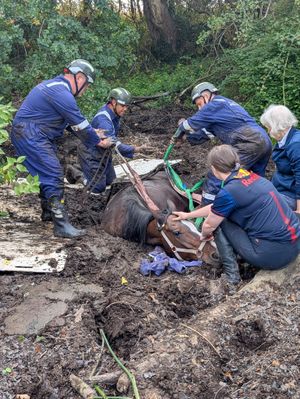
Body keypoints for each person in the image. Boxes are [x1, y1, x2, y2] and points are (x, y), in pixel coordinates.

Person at [10, 59, 112, 239]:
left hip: (29, 132)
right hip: (31, 133)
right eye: (87, 85)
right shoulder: (62, 92)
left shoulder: (54, 87)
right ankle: (61, 224)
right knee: (53, 173)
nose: (86, 90)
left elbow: (71, 124)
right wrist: (98, 141)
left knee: (46, 173)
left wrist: (93, 132)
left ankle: (49, 213)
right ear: (79, 78)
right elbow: (79, 123)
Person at [173, 145, 300, 284]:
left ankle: (232, 278)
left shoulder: (229, 192)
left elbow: (209, 224)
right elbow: (218, 206)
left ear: (214, 168)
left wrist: (203, 235)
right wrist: (188, 215)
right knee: (225, 213)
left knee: (220, 222)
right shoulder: (252, 177)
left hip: (272, 257)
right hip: (293, 246)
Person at [176, 82, 272, 205]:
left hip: (248, 142)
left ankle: (208, 208)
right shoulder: (223, 109)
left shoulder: (216, 104)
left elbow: (191, 123)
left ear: (206, 95)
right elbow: (205, 134)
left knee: (219, 171)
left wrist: (181, 126)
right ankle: (261, 206)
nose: (200, 108)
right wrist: (186, 138)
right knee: (253, 179)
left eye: (199, 104)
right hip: (262, 141)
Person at [77, 87, 145, 194]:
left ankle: (86, 170)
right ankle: (78, 175)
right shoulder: (103, 120)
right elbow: (115, 145)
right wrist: (136, 149)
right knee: (98, 187)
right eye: (123, 105)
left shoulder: (114, 114)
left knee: (111, 181)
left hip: (103, 152)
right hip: (90, 153)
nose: (125, 109)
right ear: (113, 102)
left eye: (127, 106)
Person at [260, 104, 300, 214]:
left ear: (276, 125)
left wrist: (299, 210)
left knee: (257, 207)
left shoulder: (295, 144)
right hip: (279, 187)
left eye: (268, 127)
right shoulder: (285, 139)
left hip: (289, 194)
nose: (268, 131)